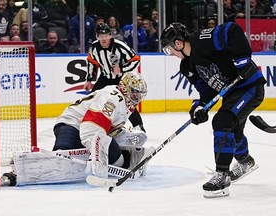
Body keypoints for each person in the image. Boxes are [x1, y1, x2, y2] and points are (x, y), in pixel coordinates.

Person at [160, 22, 266, 198]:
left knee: (222, 121)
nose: (170, 53)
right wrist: (199, 107)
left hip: (249, 86)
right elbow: (207, 91)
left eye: (169, 49)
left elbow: (232, 30)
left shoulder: (202, 40)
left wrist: (243, 60)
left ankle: (222, 176)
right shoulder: (187, 66)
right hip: (233, 94)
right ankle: (245, 162)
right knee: (233, 129)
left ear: (178, 43)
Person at [53, 72, 148, 178]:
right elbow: (92, 126)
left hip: (88, 129)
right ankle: (55, 156)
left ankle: (128, 160)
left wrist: (125, 137)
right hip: (71, 123)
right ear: (125, 87)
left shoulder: (126, 104)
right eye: (135, 91)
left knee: (117, 157)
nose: (138, 96)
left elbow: (109, 129)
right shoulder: (111, 99)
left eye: (140, 93)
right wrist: (95, 155)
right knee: (63, 153)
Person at [84, 23, 147, 133]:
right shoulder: (94, 47)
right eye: (100, 36)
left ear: (110, 35)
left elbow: (136, 59)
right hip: (105, 77)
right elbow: (92, 62)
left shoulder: (120, 46)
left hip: (121, 79)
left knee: (127, 102)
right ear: (97, 36)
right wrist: (89, 79)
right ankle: (87, 125)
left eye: (106, 35)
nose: (103, 38)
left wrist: (121, 69)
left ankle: (139, 127)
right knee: (92, 99)